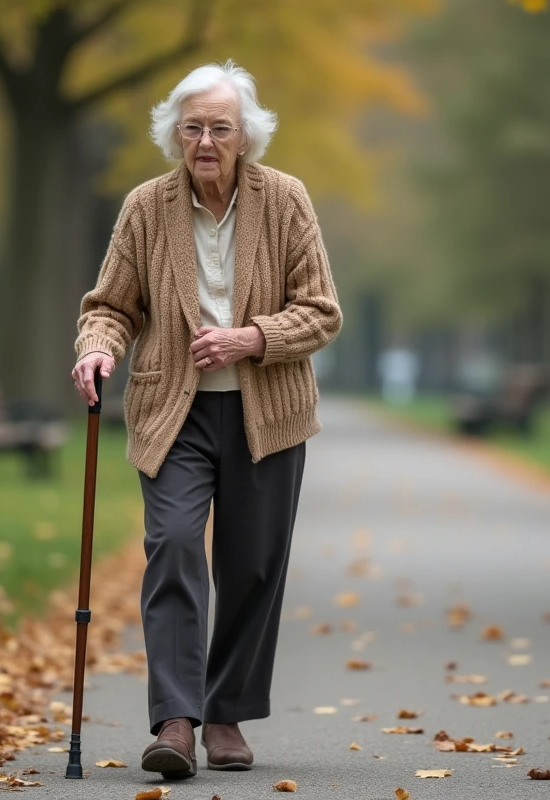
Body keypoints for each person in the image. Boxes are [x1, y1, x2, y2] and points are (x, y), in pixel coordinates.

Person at [71, 59, 342, 779]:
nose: (206, 142)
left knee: (252, 567)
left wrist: (251, 338)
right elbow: (110, 306)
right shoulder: (145, 208)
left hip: (267, 412)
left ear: (245, 135)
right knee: (176, 547)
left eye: (220, 128)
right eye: (192, 128)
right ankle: (176, 722)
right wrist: (97, 352)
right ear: (175, 136)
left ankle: (226, 715)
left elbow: (321, 312)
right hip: (175, 411)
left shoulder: (285, 200)